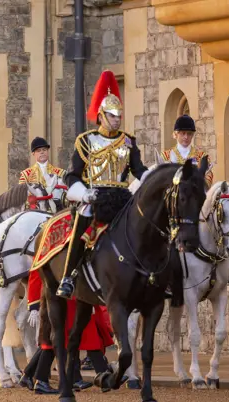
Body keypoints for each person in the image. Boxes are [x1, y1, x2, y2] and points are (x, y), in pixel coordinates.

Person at [57, 70, 149, 299]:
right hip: (94, 197)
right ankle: (68, 277)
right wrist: (84, 194)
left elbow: (139, 171)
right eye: (112, 115)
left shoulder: (128, 141)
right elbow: (72, 175)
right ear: (101, 115)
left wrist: (152, 178)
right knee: (80, 227)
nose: (117, 118)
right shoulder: (86, 141)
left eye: (119, 115)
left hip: (122, 198)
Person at [161, 115, 229, 285]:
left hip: (196, 202)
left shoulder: (202, 156)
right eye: (182, 133)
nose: (185, 137)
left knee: (221, 221)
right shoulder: (167, 156)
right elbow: (163, 179)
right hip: (176, 204)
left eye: (189, 134)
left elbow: (208, 178)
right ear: (175, 134)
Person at [18, 137, 66, 209]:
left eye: (44, 149)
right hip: (34, 212)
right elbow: (20, 196)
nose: (42, 152)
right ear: (33, 153)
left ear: (47, 151)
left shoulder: (60, 173)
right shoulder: (26, 175)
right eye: (38, 150)